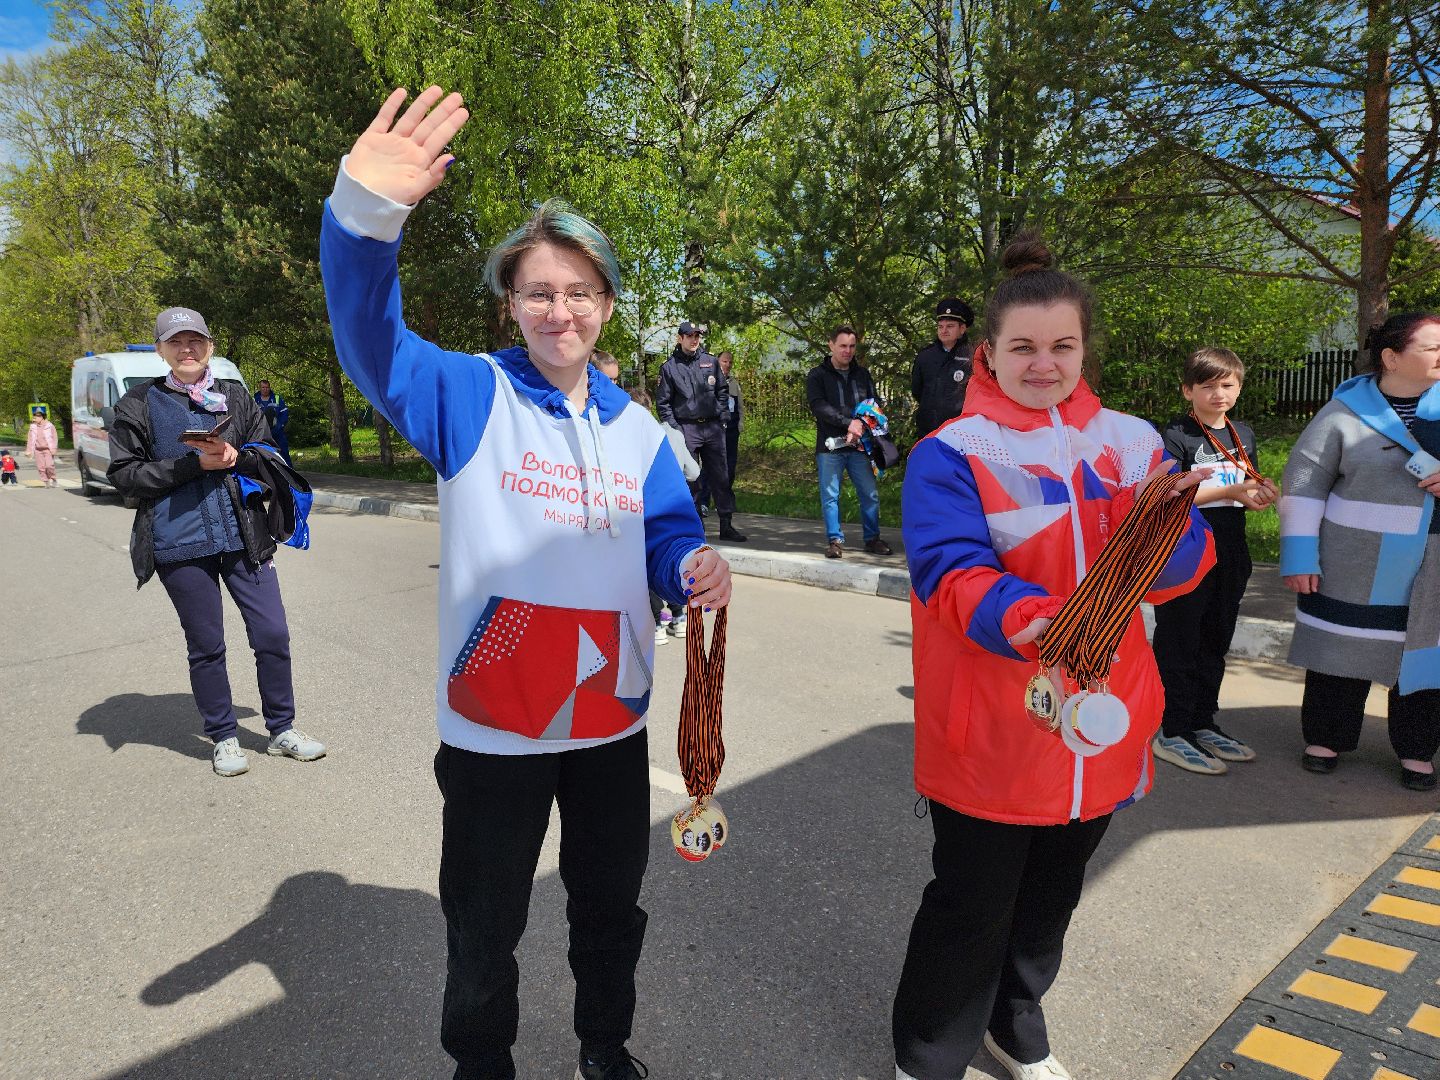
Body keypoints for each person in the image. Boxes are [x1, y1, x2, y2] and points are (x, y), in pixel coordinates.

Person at [319, 86, 733, 1080]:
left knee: (609, 911)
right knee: (484, 923)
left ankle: (604, 1047)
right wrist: (365, 219)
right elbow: (371, 342)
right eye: (540, 291)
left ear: (608, 304)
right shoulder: (470, 392)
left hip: (609, 726)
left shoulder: (641, 431)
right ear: (512, 302)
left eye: (581, 291)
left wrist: (688, 563)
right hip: (494, 729)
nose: (562, 310)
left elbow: (666, 531)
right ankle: (481, 1063)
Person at [892, 233, 1213, 1080]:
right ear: (989, 353)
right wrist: (1032, 619)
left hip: (1102, 727)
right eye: (1025, 348)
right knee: (971, 906)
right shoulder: (952, 453)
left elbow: (1186, 569)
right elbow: (950, 572)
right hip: (998, 723)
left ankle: (1016, 1025)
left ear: (1083, 348)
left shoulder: (1135, 441)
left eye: (1062, 346)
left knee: (1051, 901)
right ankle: (930, 1053)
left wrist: (1168, 522)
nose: (1045, 363)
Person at [107, 307, 325, 778]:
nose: (187, 350)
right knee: (207, 644)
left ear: (209, 345)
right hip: (178, 543)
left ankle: (282, 729)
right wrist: (191, 466)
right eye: (176, 342)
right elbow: (124, 476)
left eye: (195, 341)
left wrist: (235, 457)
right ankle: (224, 736)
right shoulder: (138, 404)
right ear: (161, 349)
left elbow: (268, 456)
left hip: (245, 535)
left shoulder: (235, 396)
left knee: (272, 633)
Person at [1280, 312, 1440, 791]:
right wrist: (1299, 556)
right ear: (1392, 357)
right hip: (1352, 559)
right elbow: (1305, 481)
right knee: (1338, 648)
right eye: (1433, 348)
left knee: (1425, 652)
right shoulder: (1343, 413)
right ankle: (1326, 739)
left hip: (1433, 563)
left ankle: (1417, 750)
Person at [1151, 347, 1277, 775]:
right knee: (1180, 639)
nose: (1219, 393)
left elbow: (1248, 487)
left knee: (1216, 637)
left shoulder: (1243, 432)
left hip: (1231, 551)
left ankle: (1202, 722)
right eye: (1208, 386)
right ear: (1188, 390)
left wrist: (1260, 494)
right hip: (1184, 553)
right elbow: (1168, 492)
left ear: (1239, 387)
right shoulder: (1175, 434)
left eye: (1228, 385)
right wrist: (1228, 492)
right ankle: (1170, 729)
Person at [806, 325, 892, 559]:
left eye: (852, 346)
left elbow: (873, 405)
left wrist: (860, 426)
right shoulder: (817, 375)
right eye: (843, 345)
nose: (848, 351)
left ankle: (872, 538)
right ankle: (834, 541)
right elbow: (819, 406)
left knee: (869, 493)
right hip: (830, 447)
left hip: (859, 446)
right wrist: (848, 423)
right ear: (831, 345)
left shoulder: (862, 374)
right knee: (830, 495)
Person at [657, 321, 747, 542]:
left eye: (697, 335)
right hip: (687, 428)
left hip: (713, 427)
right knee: (691, 479)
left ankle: (726, 525)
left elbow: (722, 391)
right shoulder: (669, 367)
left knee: (721, 476)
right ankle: (696, 527)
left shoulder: (711, 362)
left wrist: (724, 417)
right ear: (680, 338)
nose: (694, 339)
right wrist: (676, 430)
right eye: (690, 336)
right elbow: (663, 404)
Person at [629, 385, 698, 645]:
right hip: (678, 508)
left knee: (647, 565)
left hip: (644, 511)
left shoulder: (628, 437)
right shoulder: (672, 435)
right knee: (674, 558)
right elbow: (694, 473)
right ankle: (679, 617)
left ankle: (658, 622)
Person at [910, 297, 974, 441]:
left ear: (962, 329)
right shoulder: (925, 356)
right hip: (928, 432)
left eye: (950, 326)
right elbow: (917, 391)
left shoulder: (972, 357)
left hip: (961, 434)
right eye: (940, 326)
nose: (944, 331)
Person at [697, 350, 742, 517]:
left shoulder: (734, 383)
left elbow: (739, 406)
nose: (727, 365)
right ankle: (703, 501)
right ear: (718, 361)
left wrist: (740, 423)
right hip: (715, 429)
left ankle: (725, 503)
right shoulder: (710, 380)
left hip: (732, 429)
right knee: (711, 466)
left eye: (730, 362)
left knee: (730, 466)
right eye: (724, 361)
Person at [253, 379, 292, 463]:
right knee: (262, 454)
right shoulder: (254, 400)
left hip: (277, 431)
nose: (265, 389)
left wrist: (279, 426)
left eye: (267, 387)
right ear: (260, 388)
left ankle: (288, 473)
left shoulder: (277, 398)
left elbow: (284, 414)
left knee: (284, 452)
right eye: (263, 387)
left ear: (269, 388)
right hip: (261, 432)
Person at [25, 406, 58, 487]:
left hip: (48, 449)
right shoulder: (33, 427)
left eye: (37, 416)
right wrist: (28, 450)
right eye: (35, 416)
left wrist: (54, 448)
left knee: (49, 466)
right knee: (41, 467)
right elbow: (30, 439)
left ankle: (53, 479)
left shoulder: (49, 426)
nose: (35, 417)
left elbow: (55, 437)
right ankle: (46, 481)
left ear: (42, 417)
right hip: (37, 450)